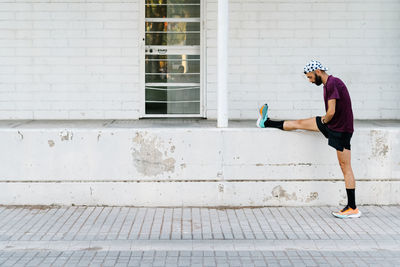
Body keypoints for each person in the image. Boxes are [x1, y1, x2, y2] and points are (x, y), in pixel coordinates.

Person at [257, 60, 361, 219]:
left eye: (311, 77)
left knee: (345, 167)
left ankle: (352, 208)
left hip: (340, 130)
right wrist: (326, 122)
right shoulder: (329, 84)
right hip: (335, 126)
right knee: (300, 123)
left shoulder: (332, 83)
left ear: (318, 71)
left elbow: (331, 111)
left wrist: (324, 121)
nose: (310, 81)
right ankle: (266, 122)